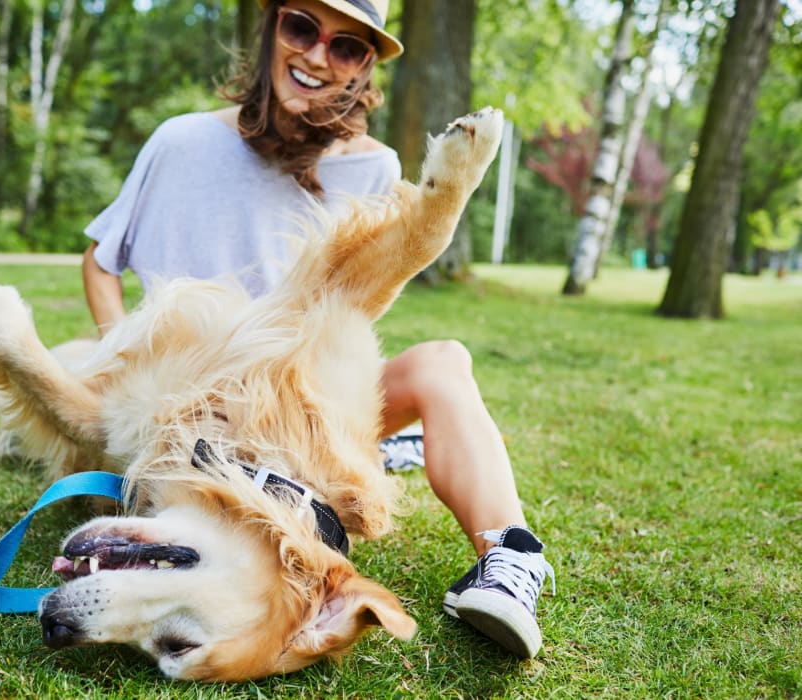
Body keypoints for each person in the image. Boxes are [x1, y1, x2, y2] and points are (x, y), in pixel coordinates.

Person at [81, 0, 554, 659]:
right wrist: (119, 358)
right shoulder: (180, 140)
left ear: (365, 69)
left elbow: (350, 316)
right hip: (189, 406)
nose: (316, 56)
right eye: (302, 27)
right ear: (272, 26)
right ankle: (405, 450)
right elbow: (101, 263)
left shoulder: (376, 168)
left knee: (443, 361)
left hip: (300, 401)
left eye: (348, 47)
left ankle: (509, 561)